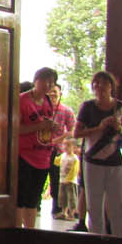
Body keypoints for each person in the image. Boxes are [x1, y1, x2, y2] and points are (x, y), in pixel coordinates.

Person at [74, 70, 122, 235]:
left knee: (118, 206)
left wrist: (120, 129)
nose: (99, 87)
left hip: (117, 162)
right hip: (93, 162)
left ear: (111, 87)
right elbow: (76, 133)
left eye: (104, 83)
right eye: (96, 83)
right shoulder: (87, 107)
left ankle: (118, 241)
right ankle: (96, 242)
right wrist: (99, 128)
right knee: (94, 207)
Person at [17, 67, 60, 229]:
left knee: (34, 200)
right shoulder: (22, 100)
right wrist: (39, 126)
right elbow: (15, 128)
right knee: (20, 199)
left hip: (43, 157)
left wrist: (51, 126)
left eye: (52, 82)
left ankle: (30, 232)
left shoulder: (48, 102)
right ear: (36, 80)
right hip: (24, 156)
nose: (48, 85)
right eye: (45, 81)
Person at [46, 83, 75, 218]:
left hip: (58, 151)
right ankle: (36, 206)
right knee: (39, 177)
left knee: (57, 179)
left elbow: (73, 131)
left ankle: (58, 209)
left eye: (55, 92)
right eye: (49, 92)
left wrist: (59, 140)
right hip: (41, 149)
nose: (52, 94)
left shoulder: (66, 111)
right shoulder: (42, 109)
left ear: (60, 94)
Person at [57, 140, 80, 221]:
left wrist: (69, 179)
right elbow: (57, 162)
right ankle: (64, 212)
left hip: (71, 181)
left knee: (71, 198)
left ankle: (72, 213)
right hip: (62, 180)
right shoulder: (63, 155)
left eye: (68, 146)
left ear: (74, 147)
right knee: (63, 197)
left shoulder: (74, 158)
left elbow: (75, 170)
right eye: (64, 145)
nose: (65, 147)